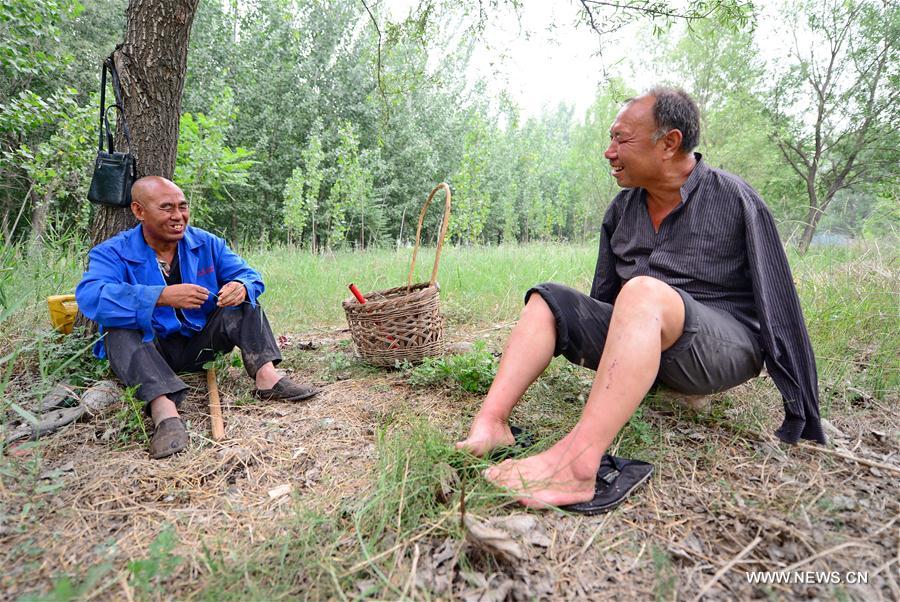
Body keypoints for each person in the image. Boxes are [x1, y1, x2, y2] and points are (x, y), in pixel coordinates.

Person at [456, 87, 825, 510]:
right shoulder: (621, 210)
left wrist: (802, 410)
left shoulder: (734, 199)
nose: (609, 152)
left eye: (621, 139)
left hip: (721, 347)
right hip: (646, 332)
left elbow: (780, 305)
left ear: (669, 143)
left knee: (643, 292)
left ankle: (578, 466)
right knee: (548, 298)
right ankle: (491, 424)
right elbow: (606, 304)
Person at [77, 176, 318, 459]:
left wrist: (240, 287)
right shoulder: (113, 252)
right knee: (116, 328)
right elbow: (91, 296)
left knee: (246, 301)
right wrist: (160, 296)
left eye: (182, 206)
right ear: (139, 211)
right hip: (150, 349)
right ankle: (164, 411)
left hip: (200, 344)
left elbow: (250, 276)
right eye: (166, 208)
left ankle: (267, 378)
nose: (178, 216)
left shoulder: (207, 243)